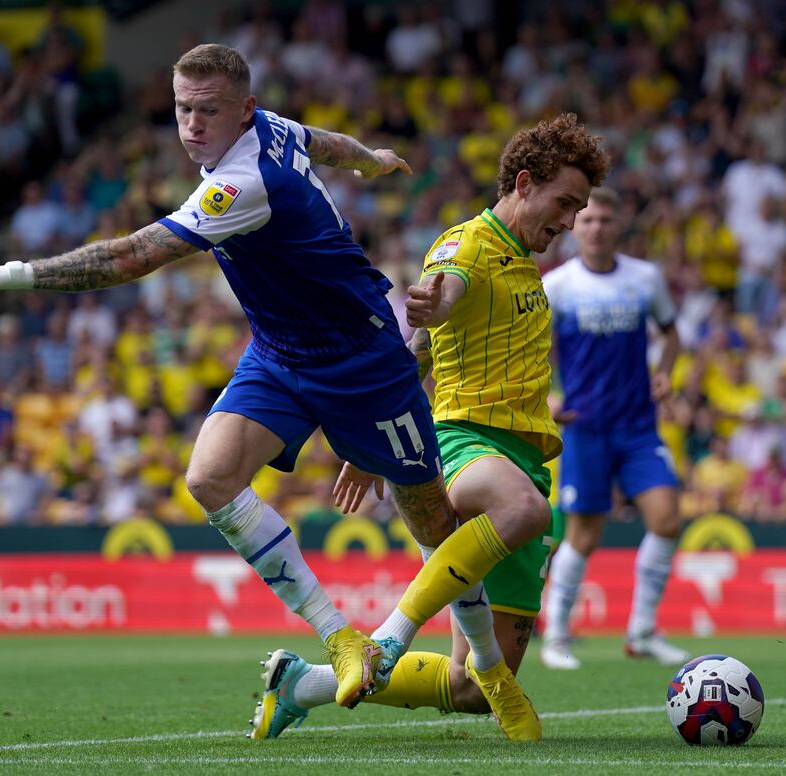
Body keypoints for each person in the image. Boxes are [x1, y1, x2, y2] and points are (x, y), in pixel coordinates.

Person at [0, 43, 456, 711]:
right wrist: (370, 159)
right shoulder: (273, 128)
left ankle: (483, 658)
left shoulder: (242, 182)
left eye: (207, 111)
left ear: (243, 112)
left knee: (433, 520)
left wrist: (2, 276)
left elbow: (130, 257)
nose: (192, 125)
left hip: (365, 356)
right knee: (208, 478)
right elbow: (326, 142)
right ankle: (342, 639)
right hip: (282, 353)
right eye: (182, 110)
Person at [246, 115, 609, 741]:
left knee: (472, 689)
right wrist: (430, 310)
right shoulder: (467, 244)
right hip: (465, 440)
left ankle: (300, 684)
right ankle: (389, 636)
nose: (571, 221)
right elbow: (436, 305)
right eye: (566, 203)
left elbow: (419, 354)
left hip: (525, 458)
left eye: (579, 208)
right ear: (524, 183)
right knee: (521, 510)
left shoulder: (524, 260)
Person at [539, 187, 690, 670]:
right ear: (575, 227)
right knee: (584, 534)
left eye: (605, 219)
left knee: (666, 519)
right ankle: (556, 634)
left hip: (639, 427)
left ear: (617, 224)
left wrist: (665, 368)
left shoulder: (645, 279)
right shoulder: (558, 286)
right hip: (585, 427)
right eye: (587, 221)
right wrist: (547, 394)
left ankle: (642, 630)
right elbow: (530, 348)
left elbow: (670, 333)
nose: (596, 228)